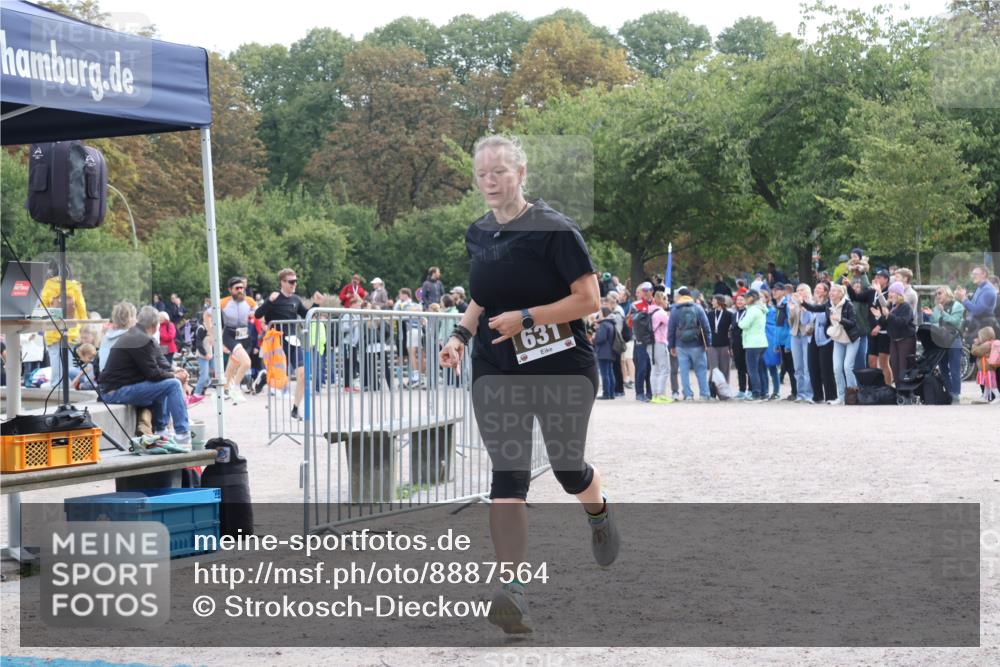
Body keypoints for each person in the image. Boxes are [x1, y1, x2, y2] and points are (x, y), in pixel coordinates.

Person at [438, 134, 618, 635]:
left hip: (561, 365)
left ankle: (598, 512)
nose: (490, 181)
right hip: (496, 366)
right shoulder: (479, 234)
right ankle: (512, 590)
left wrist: (527, 317)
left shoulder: (555, 230)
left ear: (521, 174)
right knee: (508, 474)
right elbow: (482, 296)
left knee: (566, 469)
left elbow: (589, 300)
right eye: (482, 174)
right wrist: (459, 335)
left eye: (499, 171)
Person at [100, 305, 192, 443]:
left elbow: (162, 364)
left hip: (114, 389)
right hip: (115, 392)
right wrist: (175, 377)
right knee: (172, 384)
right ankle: (183, 435)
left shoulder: (138, 335)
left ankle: (162, 432)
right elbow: (153, 374)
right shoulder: (140, 339)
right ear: (156, 326)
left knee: (166, 383)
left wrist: (177, 371)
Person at [254, 268, 324, 420]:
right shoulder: (274, 298)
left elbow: (307, 316)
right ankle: (264, 376)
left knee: (304, 375)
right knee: (280, 380)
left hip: (293, 341)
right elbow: (258, 315)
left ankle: (295, 408)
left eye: (295, 281)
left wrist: (316, 304)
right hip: (277, 342)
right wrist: (268, 301)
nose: (294, 284)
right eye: (291, 282)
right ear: (283, 282)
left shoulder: (296, 300)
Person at [801, 283, 860, 404]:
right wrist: (802, 302)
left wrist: (840, 319)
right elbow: (814, 309)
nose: (831, 293)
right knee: (837, 368)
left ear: (840, 293)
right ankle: (842, 397)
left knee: (847, 367)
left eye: (834, 291)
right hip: (838, 339)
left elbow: (853, 323)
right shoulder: (828, 305)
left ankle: (853, 396)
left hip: (851, 339)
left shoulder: (848, 305)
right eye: (831, 291)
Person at [39, 262, 88, 389]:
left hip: (52, 330)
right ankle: (68, 388)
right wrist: (84, 323)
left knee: (56, 361)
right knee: (67, 362)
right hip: (70, 331)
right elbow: (81, 307)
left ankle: (56, 386)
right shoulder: (74, 286)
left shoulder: (48, 286)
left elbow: (42, 308)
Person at [846, 268, 892, 385]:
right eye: (875, 277)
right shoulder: (872, 292)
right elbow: (856, 297)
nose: (876, 279)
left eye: (879, 277)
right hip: (872, 331)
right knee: (871, 361)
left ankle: (888, 388)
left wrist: (879, 327)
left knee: (883, 362)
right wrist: (848, 286)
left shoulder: (890, 293)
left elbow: (888, 312)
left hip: (884, 332)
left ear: (886, 280)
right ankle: (876, 388)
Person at [218, 277, 257, 405]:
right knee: (246, 363)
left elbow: (258, 314)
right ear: (230, 290)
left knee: (231, 368)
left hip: (244, 336)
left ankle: (222, 392)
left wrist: (258, 318)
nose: (240, 290)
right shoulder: (223, 302)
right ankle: (236, 388)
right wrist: (212, 334)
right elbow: (207, 314)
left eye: (242, 288)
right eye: (237, 288)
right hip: (230, 335)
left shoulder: (250, 301)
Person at [668, 287, 711, 401]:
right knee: (701, 370)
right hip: (697, 344)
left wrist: (671, 346)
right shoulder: (698, 308)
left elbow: (671, 330)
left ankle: (688, 395)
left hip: (680, 345)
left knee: (684, 371)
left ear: (680, 296)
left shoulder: (675, 310)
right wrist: (708, 343)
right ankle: (704, 394)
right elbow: (706, 327)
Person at [923, 286, 965, 402]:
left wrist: (942, 312)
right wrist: (931, 314)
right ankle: (949, 393)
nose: (937, 296)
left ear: (947, 293)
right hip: (941, 339)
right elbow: (935, 322)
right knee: (943, 368)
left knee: (954, 369)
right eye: (936, 294)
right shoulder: (937, 307)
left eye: (940, 293)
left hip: (953, 339)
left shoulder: (957, 305)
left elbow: (955, 321)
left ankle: (955, 395)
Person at [800, 282, 837, 403]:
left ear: (826, 292)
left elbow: (822, 320)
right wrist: (804, 309)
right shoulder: (811, 304)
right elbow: (804, 321)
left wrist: (818, 304)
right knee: (812, 367)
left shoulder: (828, 304)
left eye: (820, 289)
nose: (816, 290)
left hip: (826, 339)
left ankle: (831, 396)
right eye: (816, 288)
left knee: (826, 368)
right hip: (812, 338)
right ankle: (817, 396)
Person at [875, 281, 916, 385]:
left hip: (906, 339)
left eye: (892, 292)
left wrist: (889, 315)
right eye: (889, 292)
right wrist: (879, 316)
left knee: (903, 367)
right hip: (894, 339)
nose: (889, 294)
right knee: (895, 366)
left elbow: (902, 322)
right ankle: (898, 392)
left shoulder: (905, 306)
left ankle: (905, 392)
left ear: (899, 294)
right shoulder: (891, 306)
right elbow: (885, 323)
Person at [737, 290, 768, 401]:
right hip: (761, 342)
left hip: (752, 343)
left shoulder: (753, 310)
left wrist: (739, 322)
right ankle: (764, 393)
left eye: (746, 297)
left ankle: (756, 393)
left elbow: (743, 324)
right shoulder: (760, 309)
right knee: (760, 369)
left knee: (752, 370)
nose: (744, 299)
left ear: (752, 298)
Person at [787, 283, 814, 403]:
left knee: (807, 366)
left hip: (806, 335)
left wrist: (803, 306)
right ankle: (800, 393)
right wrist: (792, 310)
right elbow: (790, 322)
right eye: (797, 290)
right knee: (798, 367)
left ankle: (809, 394)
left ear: (808, 291)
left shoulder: (811, 303)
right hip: (795, 335)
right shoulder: (794, 303)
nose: (799, 292)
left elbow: (811, 320)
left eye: (802, 290)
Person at [394, 287, 426, 387]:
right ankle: (415, 378)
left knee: (412, 355)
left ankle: (417, 378)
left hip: (411, 332)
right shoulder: (401, 305)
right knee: (410, 356)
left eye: (401, 294)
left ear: (405, 295)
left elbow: (399, 315)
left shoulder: (411, 305)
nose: (399, 296)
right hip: (406, 333)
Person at [956, 265, 999, 333]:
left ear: (984, 274)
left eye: (975, 274)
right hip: (976, 325)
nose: (972, 276)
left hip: (983, 328)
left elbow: (977, 311)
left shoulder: (988, 289)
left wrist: (964, 299)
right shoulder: (980, 287)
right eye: (972, 274)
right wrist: (963, 297)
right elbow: (972, 308)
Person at [772, 284, 797, 400]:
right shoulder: (779, 305)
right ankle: (793, 392)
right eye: (773, 290)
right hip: (781, 342)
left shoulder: (787, 305)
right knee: (786, 366)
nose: (774, 292)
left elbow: (790, 325)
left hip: (787, 342)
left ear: (783, 292)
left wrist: (788, 344)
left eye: (777, 290)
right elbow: (778, 327)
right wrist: (776, 343)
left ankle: (796, 392)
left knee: (791, 368)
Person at [706, 295, 733, 398]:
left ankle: (723, 393)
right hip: (712, 346)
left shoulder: (729, 315)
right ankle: (712, 392)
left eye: (713, 300)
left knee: (724, 369)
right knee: (714, 369)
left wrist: (731, 347)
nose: (712, 302)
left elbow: (732, 331)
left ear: (719, 302)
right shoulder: (710, 314)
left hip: (725, 345)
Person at [649, 290, 673, 404]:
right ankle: (661, 394)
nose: (667, 302)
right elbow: (671, 324)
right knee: (664, 369)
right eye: (666, 299)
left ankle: (654, 395)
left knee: (654, 369)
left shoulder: (650, 310)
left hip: (649, 344)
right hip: (659, 342)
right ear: (662, 300)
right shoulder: (661, 313)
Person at [592, 307, 617, 400]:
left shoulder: (603, 325)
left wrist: (594, 338)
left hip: (603, 352)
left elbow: (601, 339)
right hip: (610, 351)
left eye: (600, 313)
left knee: (605, 373)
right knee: (610, 373)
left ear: (604, 314)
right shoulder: (611, 323)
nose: (598, 315)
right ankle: (611, 393)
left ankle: (606, 393)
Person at [971, 326, 999, 403]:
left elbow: (975, 351)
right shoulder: (989, 343)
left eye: (979, 337)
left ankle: (998, 396)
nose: (978, 338)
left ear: (985, 337)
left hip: (987, 368)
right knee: (987, 383)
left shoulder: (987, 344)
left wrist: (975, 344)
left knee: (991, 384)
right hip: (985, 368)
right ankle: (985, 397)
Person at [730, 293, 750, 399]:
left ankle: (751, 390)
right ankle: (742, 390)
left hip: (746, 343)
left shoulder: (748, 313)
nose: (739, 302)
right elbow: (732, 331)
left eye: (742, 300)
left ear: (746, 301)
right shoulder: (734, 314)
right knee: (740, 368)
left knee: (748, 367)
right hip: (736, 344)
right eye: (738, 300)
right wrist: (731, 346)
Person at [193, 308, 214, 397]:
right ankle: (196, 393)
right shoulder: (201, 329)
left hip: (211, 355)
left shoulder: (211, 328)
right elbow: (198, 344)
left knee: (213, 374)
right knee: (204, 376)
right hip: (203, 355)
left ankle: (202, 389)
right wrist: (205, 354)